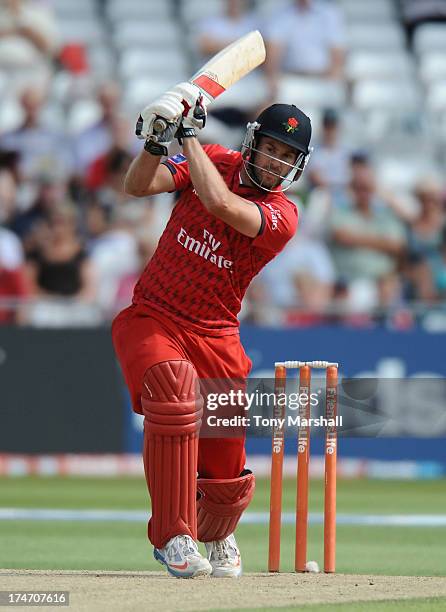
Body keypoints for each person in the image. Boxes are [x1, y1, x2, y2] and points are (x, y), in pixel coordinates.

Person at [112, 83, 312, 578]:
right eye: (271, 148)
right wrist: (157, 143)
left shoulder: (284, 214)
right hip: (154, 315)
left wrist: (187, 137)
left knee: (223, 469)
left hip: (217, 336)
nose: (276, 162)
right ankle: (174, 535)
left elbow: (222, 206)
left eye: (287, 156)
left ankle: (218, 531)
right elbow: (138, 186)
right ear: (253, 143)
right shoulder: (216, 157)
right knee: (174, 394)